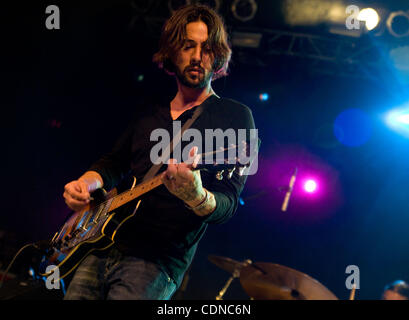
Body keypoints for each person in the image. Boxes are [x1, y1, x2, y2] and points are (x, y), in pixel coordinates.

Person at [62, 4, 257, 300]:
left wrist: (196, 195)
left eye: (206, 48)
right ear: (171, 52)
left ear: (217, 55)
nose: (196, 57)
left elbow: (228, 204)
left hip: (154, 264)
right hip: (98, 246)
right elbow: (114, 162)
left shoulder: (235, 118)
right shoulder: (149, 111)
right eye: (188, 46)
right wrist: (85, 184)